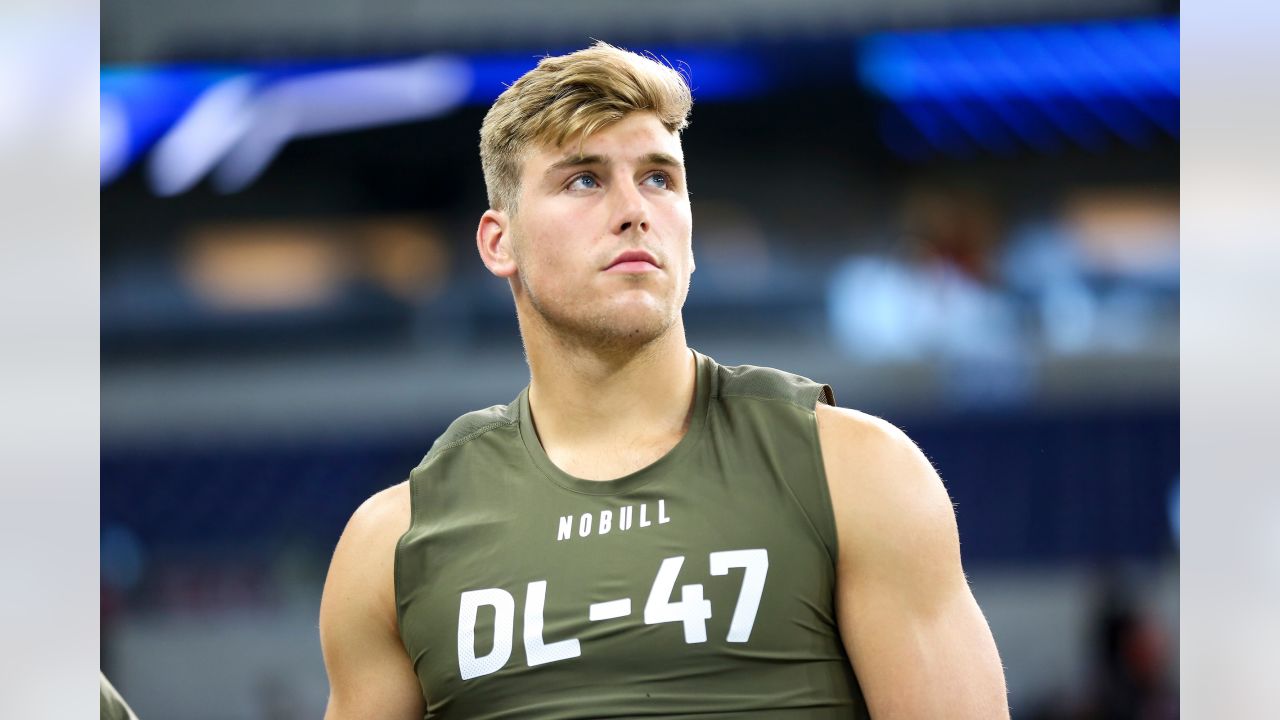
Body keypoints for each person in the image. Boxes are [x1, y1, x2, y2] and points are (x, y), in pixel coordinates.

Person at [319, 42, 1009, 719]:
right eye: (584, 180)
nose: (635, 209)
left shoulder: (855, 472)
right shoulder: (394, 542)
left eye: (659, 178)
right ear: (501, 242)